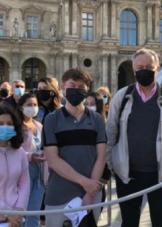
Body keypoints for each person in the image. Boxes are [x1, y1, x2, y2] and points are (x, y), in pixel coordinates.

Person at [106, 48, 162, 227]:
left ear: (157, 68)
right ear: (134, 70)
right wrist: (113, 166)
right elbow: (110, 135)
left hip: (161, 176)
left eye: (149, 66)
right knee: (129, 222)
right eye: (140, 67)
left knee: (161, 222)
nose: (144, 70)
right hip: (127, 175)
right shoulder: (122, 97)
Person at [43, 68, 106, 226]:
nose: (76, 90)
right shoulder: (52, 119)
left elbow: (101, 156)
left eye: (81, 87)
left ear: (87, 90)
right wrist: (86, 183)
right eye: (72, 85)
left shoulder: (97, 119)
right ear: (63, 88)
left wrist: (90, 192)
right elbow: (53, 160)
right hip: (59, 195)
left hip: (91, 197)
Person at [17, 92, 45, 227]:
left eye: (35, 105)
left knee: (34, 210)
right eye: (29, 105)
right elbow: (13, 149)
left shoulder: (39, 126)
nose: (33, 107)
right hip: (23, 171)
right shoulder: (17, 126)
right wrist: (30, 156)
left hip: (40, 172)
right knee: (22, 210)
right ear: (21, 107)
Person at [0, 103, 30, 226]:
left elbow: (25, 183)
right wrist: (7, 213)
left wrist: (19, 210)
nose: (5, 127)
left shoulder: (20, 152)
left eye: (9, 124)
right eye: (1, 123)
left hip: (16, 219)